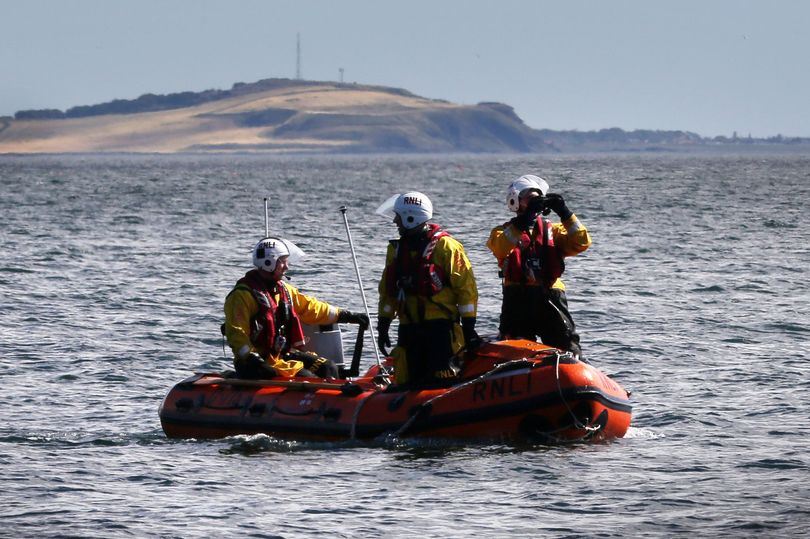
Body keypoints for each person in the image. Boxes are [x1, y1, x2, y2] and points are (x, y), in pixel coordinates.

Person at [224, 236, 369, 380]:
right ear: (269, 262)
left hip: (281, 355)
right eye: (283, 262)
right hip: (255, 362)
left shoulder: (284, 291)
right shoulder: (242, 296)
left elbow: (311, 308)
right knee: (307, 378)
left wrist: (346, 316)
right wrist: (251, 358)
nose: (287, 267)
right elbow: (237, 333)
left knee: (329, 367)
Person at [375, 191, 479, 386]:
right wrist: (383, 325)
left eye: (398, 217)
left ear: (410, 217)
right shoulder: (397, 250)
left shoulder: (446, 246)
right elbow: (388, 293)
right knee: (407, 380)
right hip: (409, 329)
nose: (395, 222)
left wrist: (469, 328)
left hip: (440, 329)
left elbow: (466, 289)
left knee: (443, 380)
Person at [486, 175, 591, 358]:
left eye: (536, 198)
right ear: (516, 201)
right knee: (515, 348)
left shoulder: (554, 231)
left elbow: (581, 242)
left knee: (567, 345)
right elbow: (501, 247)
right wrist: (524, 220)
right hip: (517, 298)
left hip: (550, 295)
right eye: (528, 197)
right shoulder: (502, 232)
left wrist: (565, 212)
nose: (533, 201)